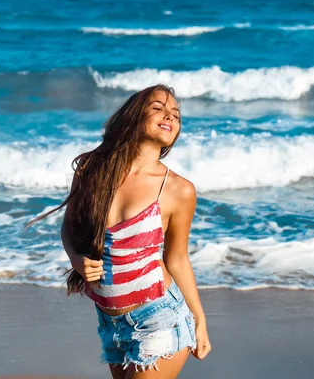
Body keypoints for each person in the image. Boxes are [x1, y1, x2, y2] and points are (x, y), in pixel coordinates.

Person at [25, 83, 211, 377]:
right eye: (158, 108)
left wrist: (200, 321)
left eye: (176, 114)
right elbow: (70, 227)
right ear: (133, 116)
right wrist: (76, 259)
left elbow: (176, 259)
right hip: (111, 325)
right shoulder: (91, 169)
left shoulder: (178, 189)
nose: (170, 117)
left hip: (160, 318)